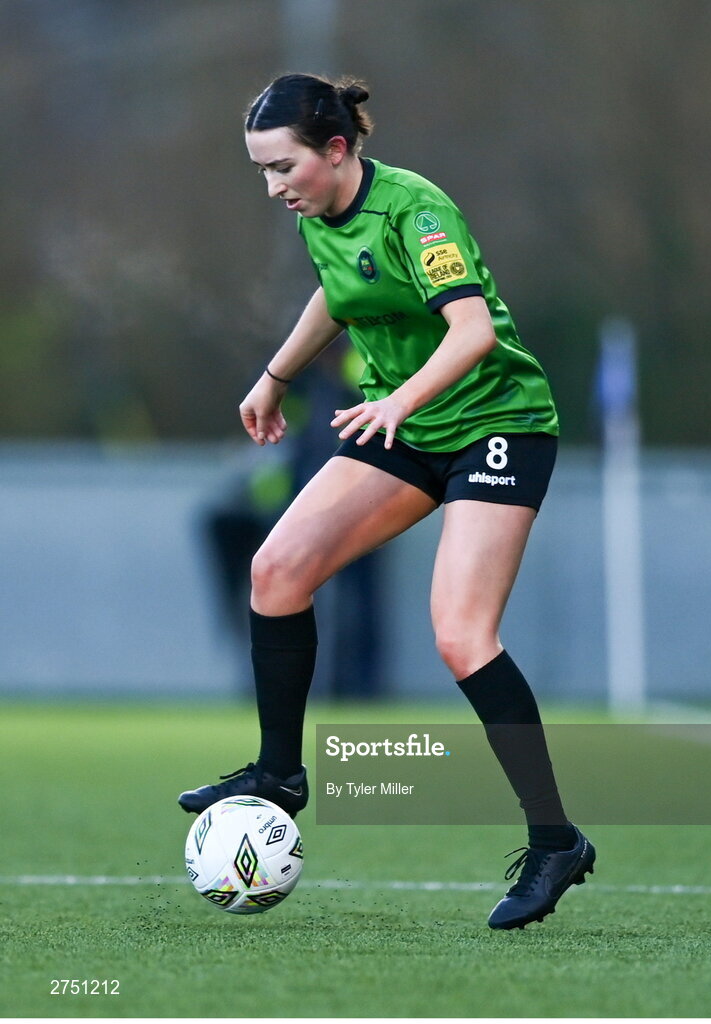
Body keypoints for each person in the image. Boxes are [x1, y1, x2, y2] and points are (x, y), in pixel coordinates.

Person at [179, 72, 595, 930]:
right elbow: (341, 291)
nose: (273, 187)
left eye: (283, 167)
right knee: (276, 569)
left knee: (460, 635)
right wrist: (274, 376)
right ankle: (278, 774)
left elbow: (472, 331)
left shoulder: (417, 209)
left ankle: (555, 840)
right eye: (261, 171)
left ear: (336, 149)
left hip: (496, 423)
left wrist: (398, 402)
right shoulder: (320, 212)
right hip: (405, 423)